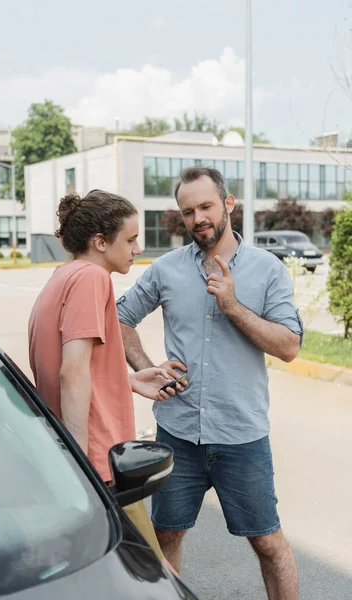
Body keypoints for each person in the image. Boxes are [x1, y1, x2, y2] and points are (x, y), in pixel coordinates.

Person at [117, 167, 303, 600]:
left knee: (268, 543)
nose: (198, 218)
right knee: (165, 541)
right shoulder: (165, 270)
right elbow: (120, 317)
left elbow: (290, 346)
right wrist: (149, 366)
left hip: (242, 437)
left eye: (205, 207)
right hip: (178, 434)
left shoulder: (267, 269)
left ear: (228, 204)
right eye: (188, 211)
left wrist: (233, 306)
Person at [28, 189, 178, 563]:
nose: (137, 248)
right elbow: (72, 373)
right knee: (149, 577)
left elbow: (67, 366)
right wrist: (82, 468)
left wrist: (125, 380)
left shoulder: (60, 278)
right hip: (98, 464)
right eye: (129, 239)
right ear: (99, 242)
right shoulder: (92, 278)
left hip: (75, 456)